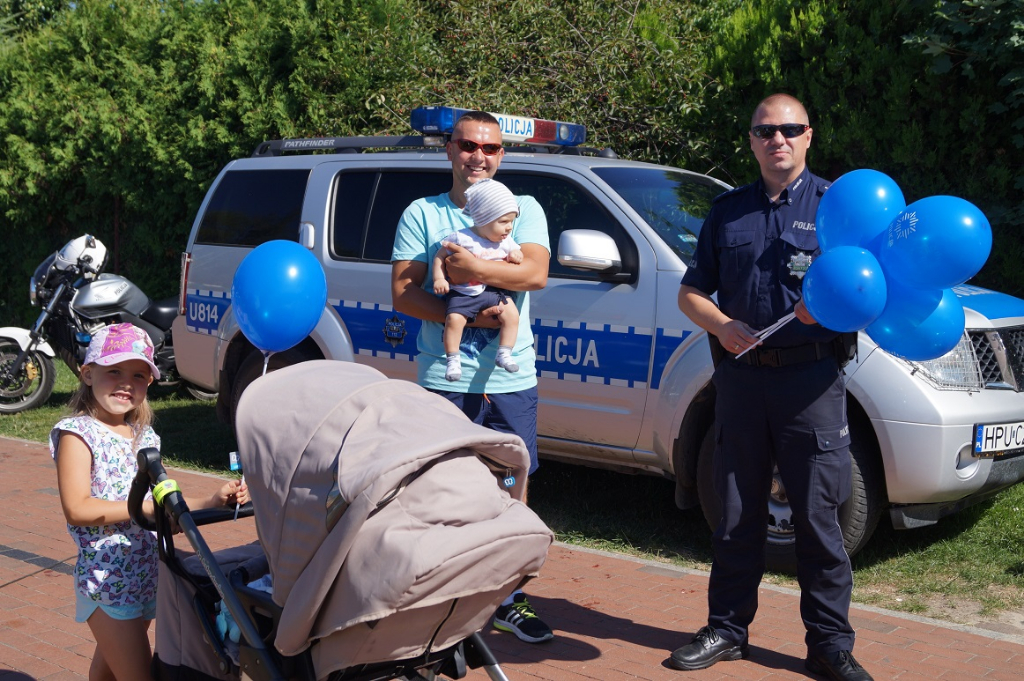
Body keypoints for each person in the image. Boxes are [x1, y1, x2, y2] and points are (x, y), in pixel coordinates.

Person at [673, 94, 873, 681]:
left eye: (789, 129)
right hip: (739, 382)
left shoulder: (842, 208)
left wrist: (830, 316)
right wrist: (722, 326)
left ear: (809, 135)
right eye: (765, 131)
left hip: (811, 383)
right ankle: (727, 630)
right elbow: (691, 293)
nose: (776, 139)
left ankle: (830, 646)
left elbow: (871, 292)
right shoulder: (727, 212)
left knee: (817, 518)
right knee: (735, 514)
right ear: (752, 140)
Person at [391, 110, 553, 644]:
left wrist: (470, 270)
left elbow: (534, 274)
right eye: (467, 145)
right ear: (449, 149)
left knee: (511, 487)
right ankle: (441, 601)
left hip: (511, 381)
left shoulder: (522, 208)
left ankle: (509, 597)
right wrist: (467, 315)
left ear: (502, 154)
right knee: (439, 490)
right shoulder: (422, 213)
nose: (478, 157)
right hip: (445, 376)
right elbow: (403, 293)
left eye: (490, 148)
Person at [51, 323, 248, 680]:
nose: (127, 383)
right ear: (87, 373)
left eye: (139, 375)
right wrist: (142, 510)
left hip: (145, 575)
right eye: (114, 371)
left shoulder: (145, 436)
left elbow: (162, 498)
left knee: (107, 670)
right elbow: (77, 508)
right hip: (108, 583)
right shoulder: (77, 433)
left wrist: (211, 499)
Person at [432, 178, 524, 382]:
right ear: (483, 217)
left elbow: (517, 252)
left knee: (511, 314)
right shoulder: (462, 238)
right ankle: (453, 359)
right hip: (463, 293)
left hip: (491, 292)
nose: (509, 228)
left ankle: (504, 352)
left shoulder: (505, 241)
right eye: (503, 222)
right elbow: (439, 256)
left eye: (511, 221)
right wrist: (439, 278)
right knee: (454, 320)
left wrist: (517, 255)